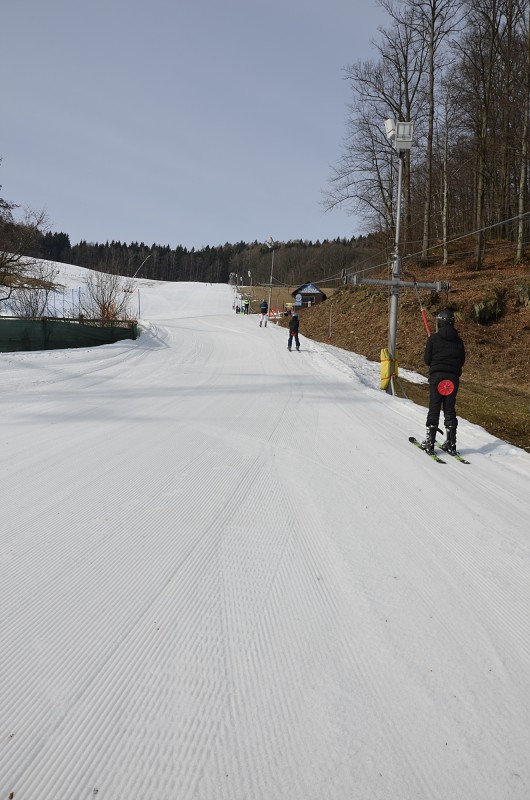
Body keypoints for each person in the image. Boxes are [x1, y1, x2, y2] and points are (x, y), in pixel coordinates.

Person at [421, 308, 465, 455]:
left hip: (437, 377)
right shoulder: (459, 341)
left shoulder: (433, 338)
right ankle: (451, 444)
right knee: (449, 409)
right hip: (452, 379)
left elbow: (427, 361)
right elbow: (462, 361)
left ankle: (430, 443)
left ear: (439, 322)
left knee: (434, 408)